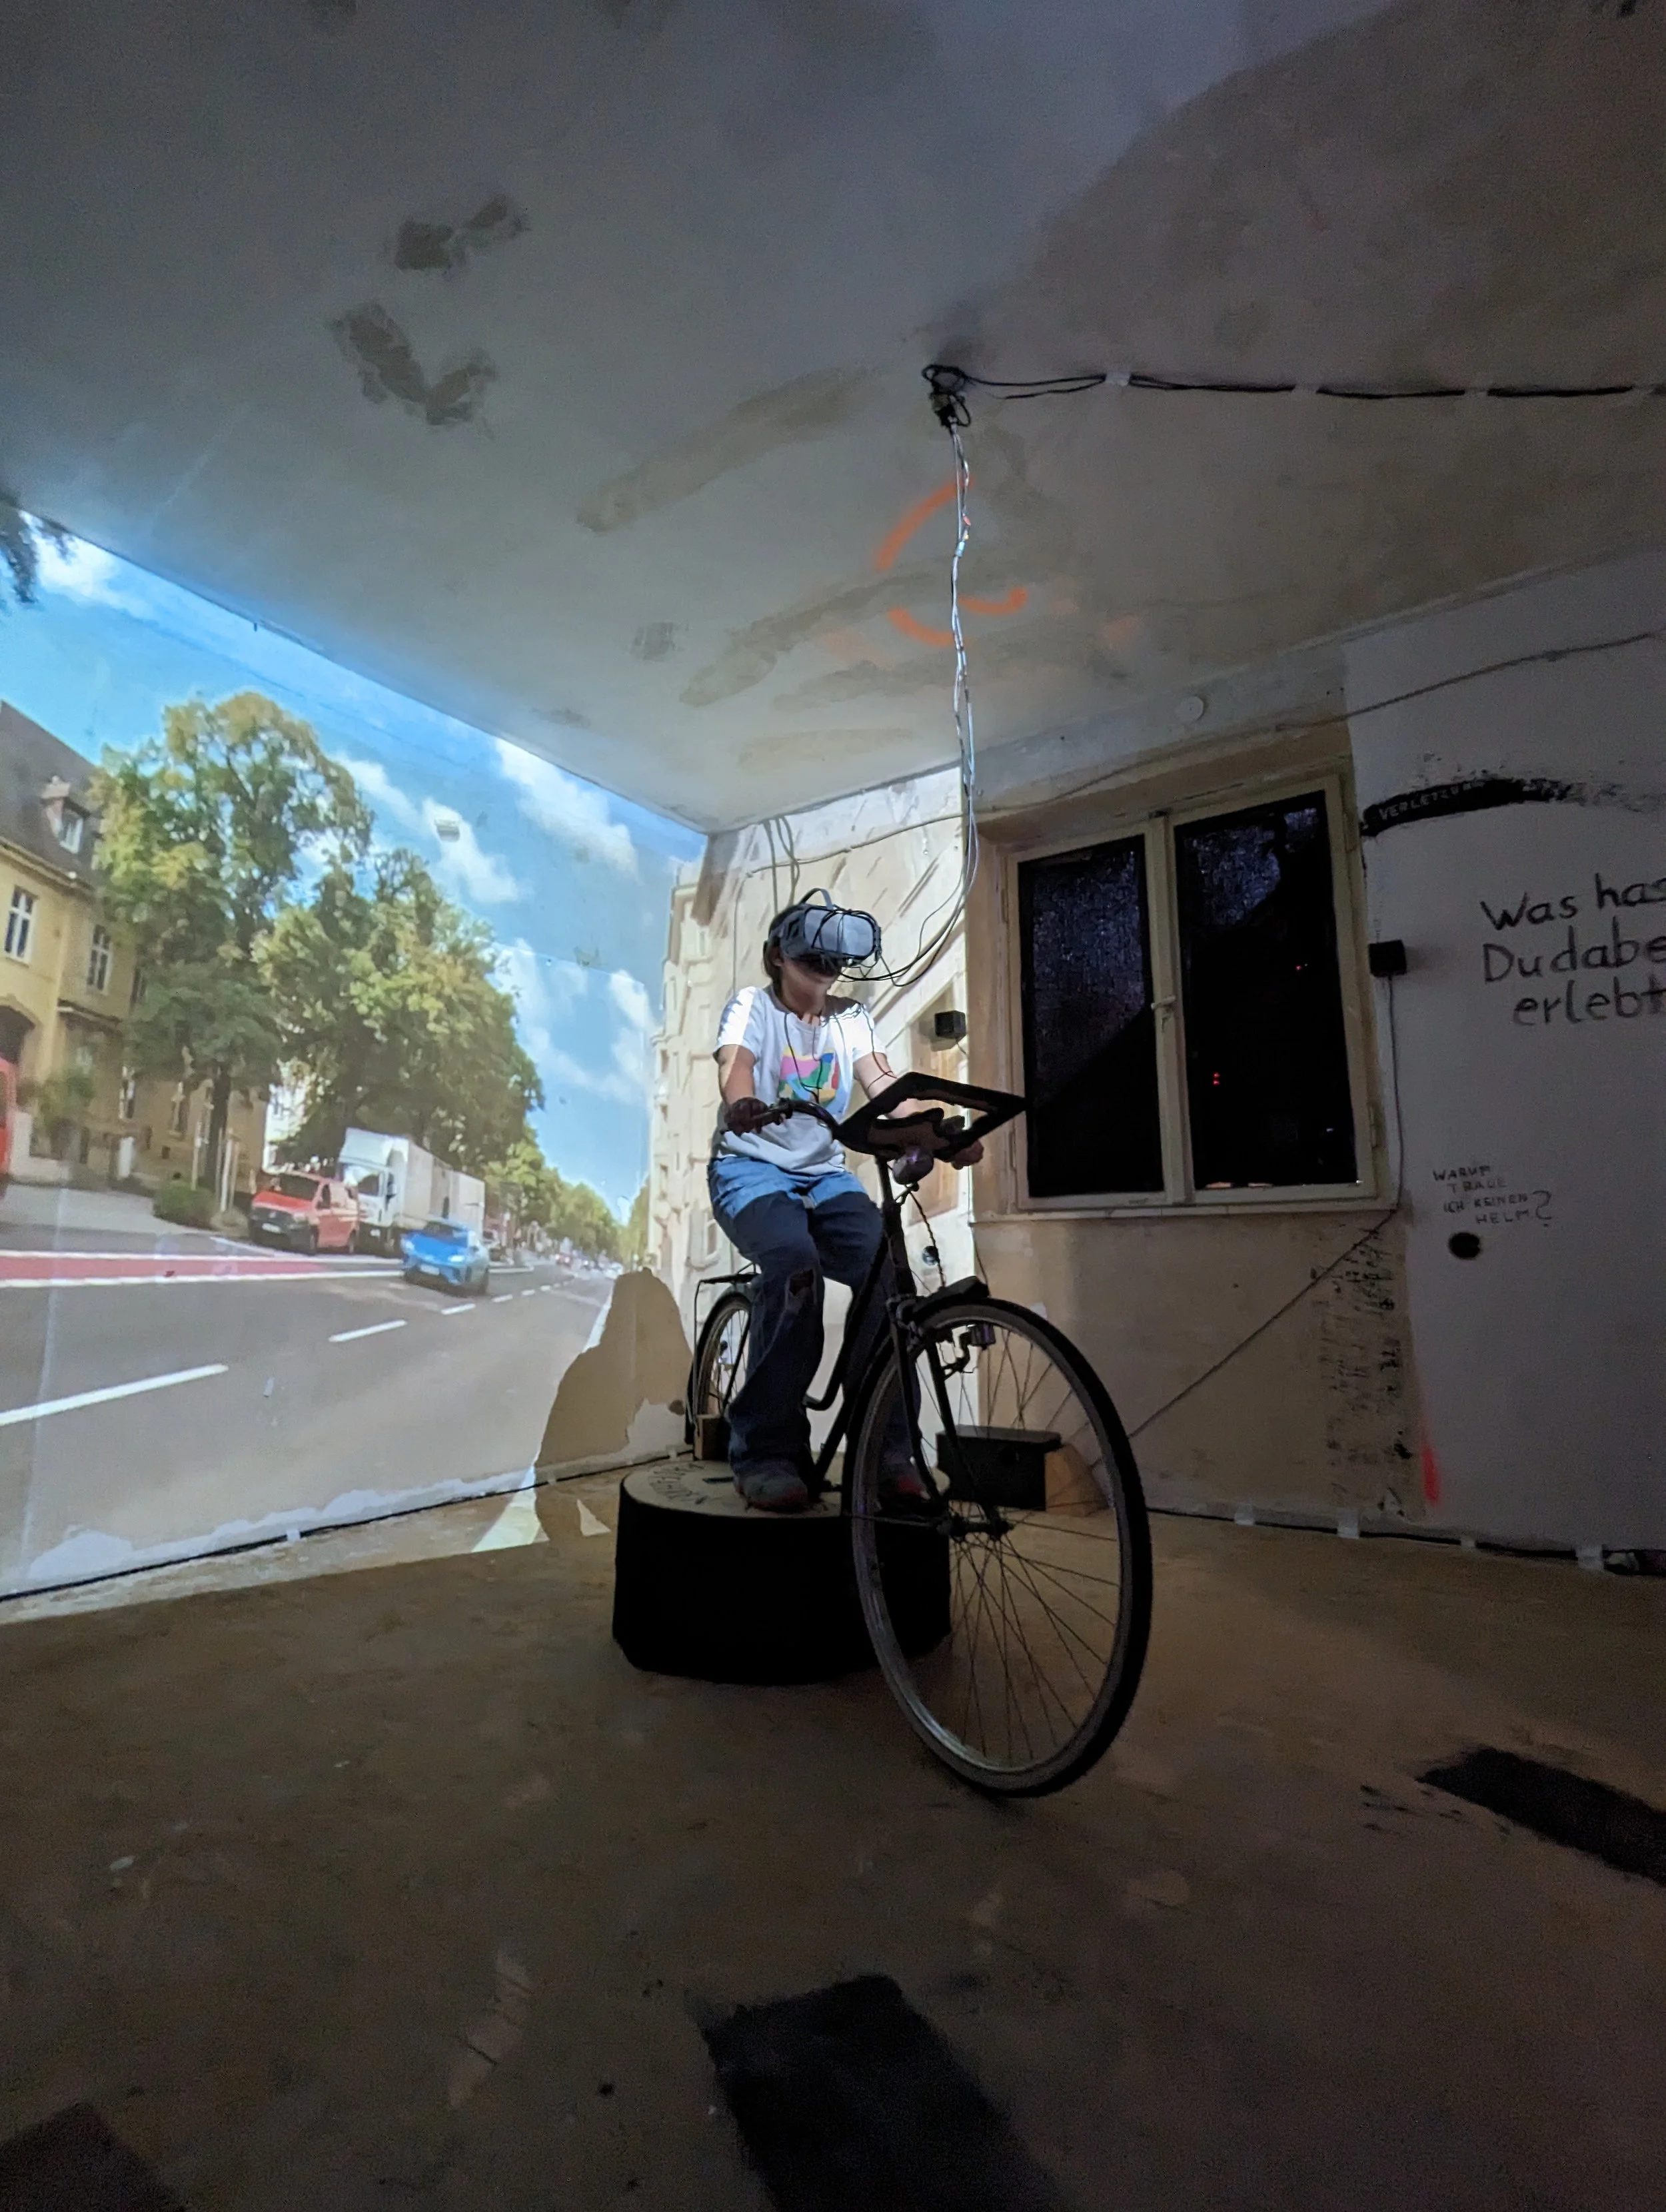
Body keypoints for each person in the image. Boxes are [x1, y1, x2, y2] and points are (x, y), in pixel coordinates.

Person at [709, 900, 980, 1512]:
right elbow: (738, 1065)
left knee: (889, 1276)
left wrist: (941, 1133)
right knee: (793, 1262)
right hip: (750, 1168)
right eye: (813, 961)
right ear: (779, 957)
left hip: (825, 1176)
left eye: (835, 963)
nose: (826, 972)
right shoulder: (754, 1008)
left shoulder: (850, 1017)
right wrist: (743, 1103)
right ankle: (767, 1451)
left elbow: (883, 1084)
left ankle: (888, 1455)